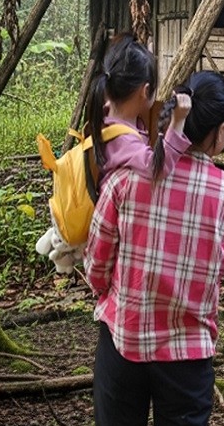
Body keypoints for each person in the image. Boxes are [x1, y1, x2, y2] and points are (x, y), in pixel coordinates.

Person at [85, 70, 224, 426]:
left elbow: (96, 263)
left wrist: (115, 296)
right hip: (188, 357)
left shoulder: (125, 179)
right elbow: (216, 269)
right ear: (219, 131)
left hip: (123, 343)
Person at [35, 33, 191, 272]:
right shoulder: (125, 140)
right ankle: (66, 247)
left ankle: (61, 240)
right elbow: (158, 168)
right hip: (109, 225)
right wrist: (178, 123)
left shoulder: (108, 117)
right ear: (145, 90)